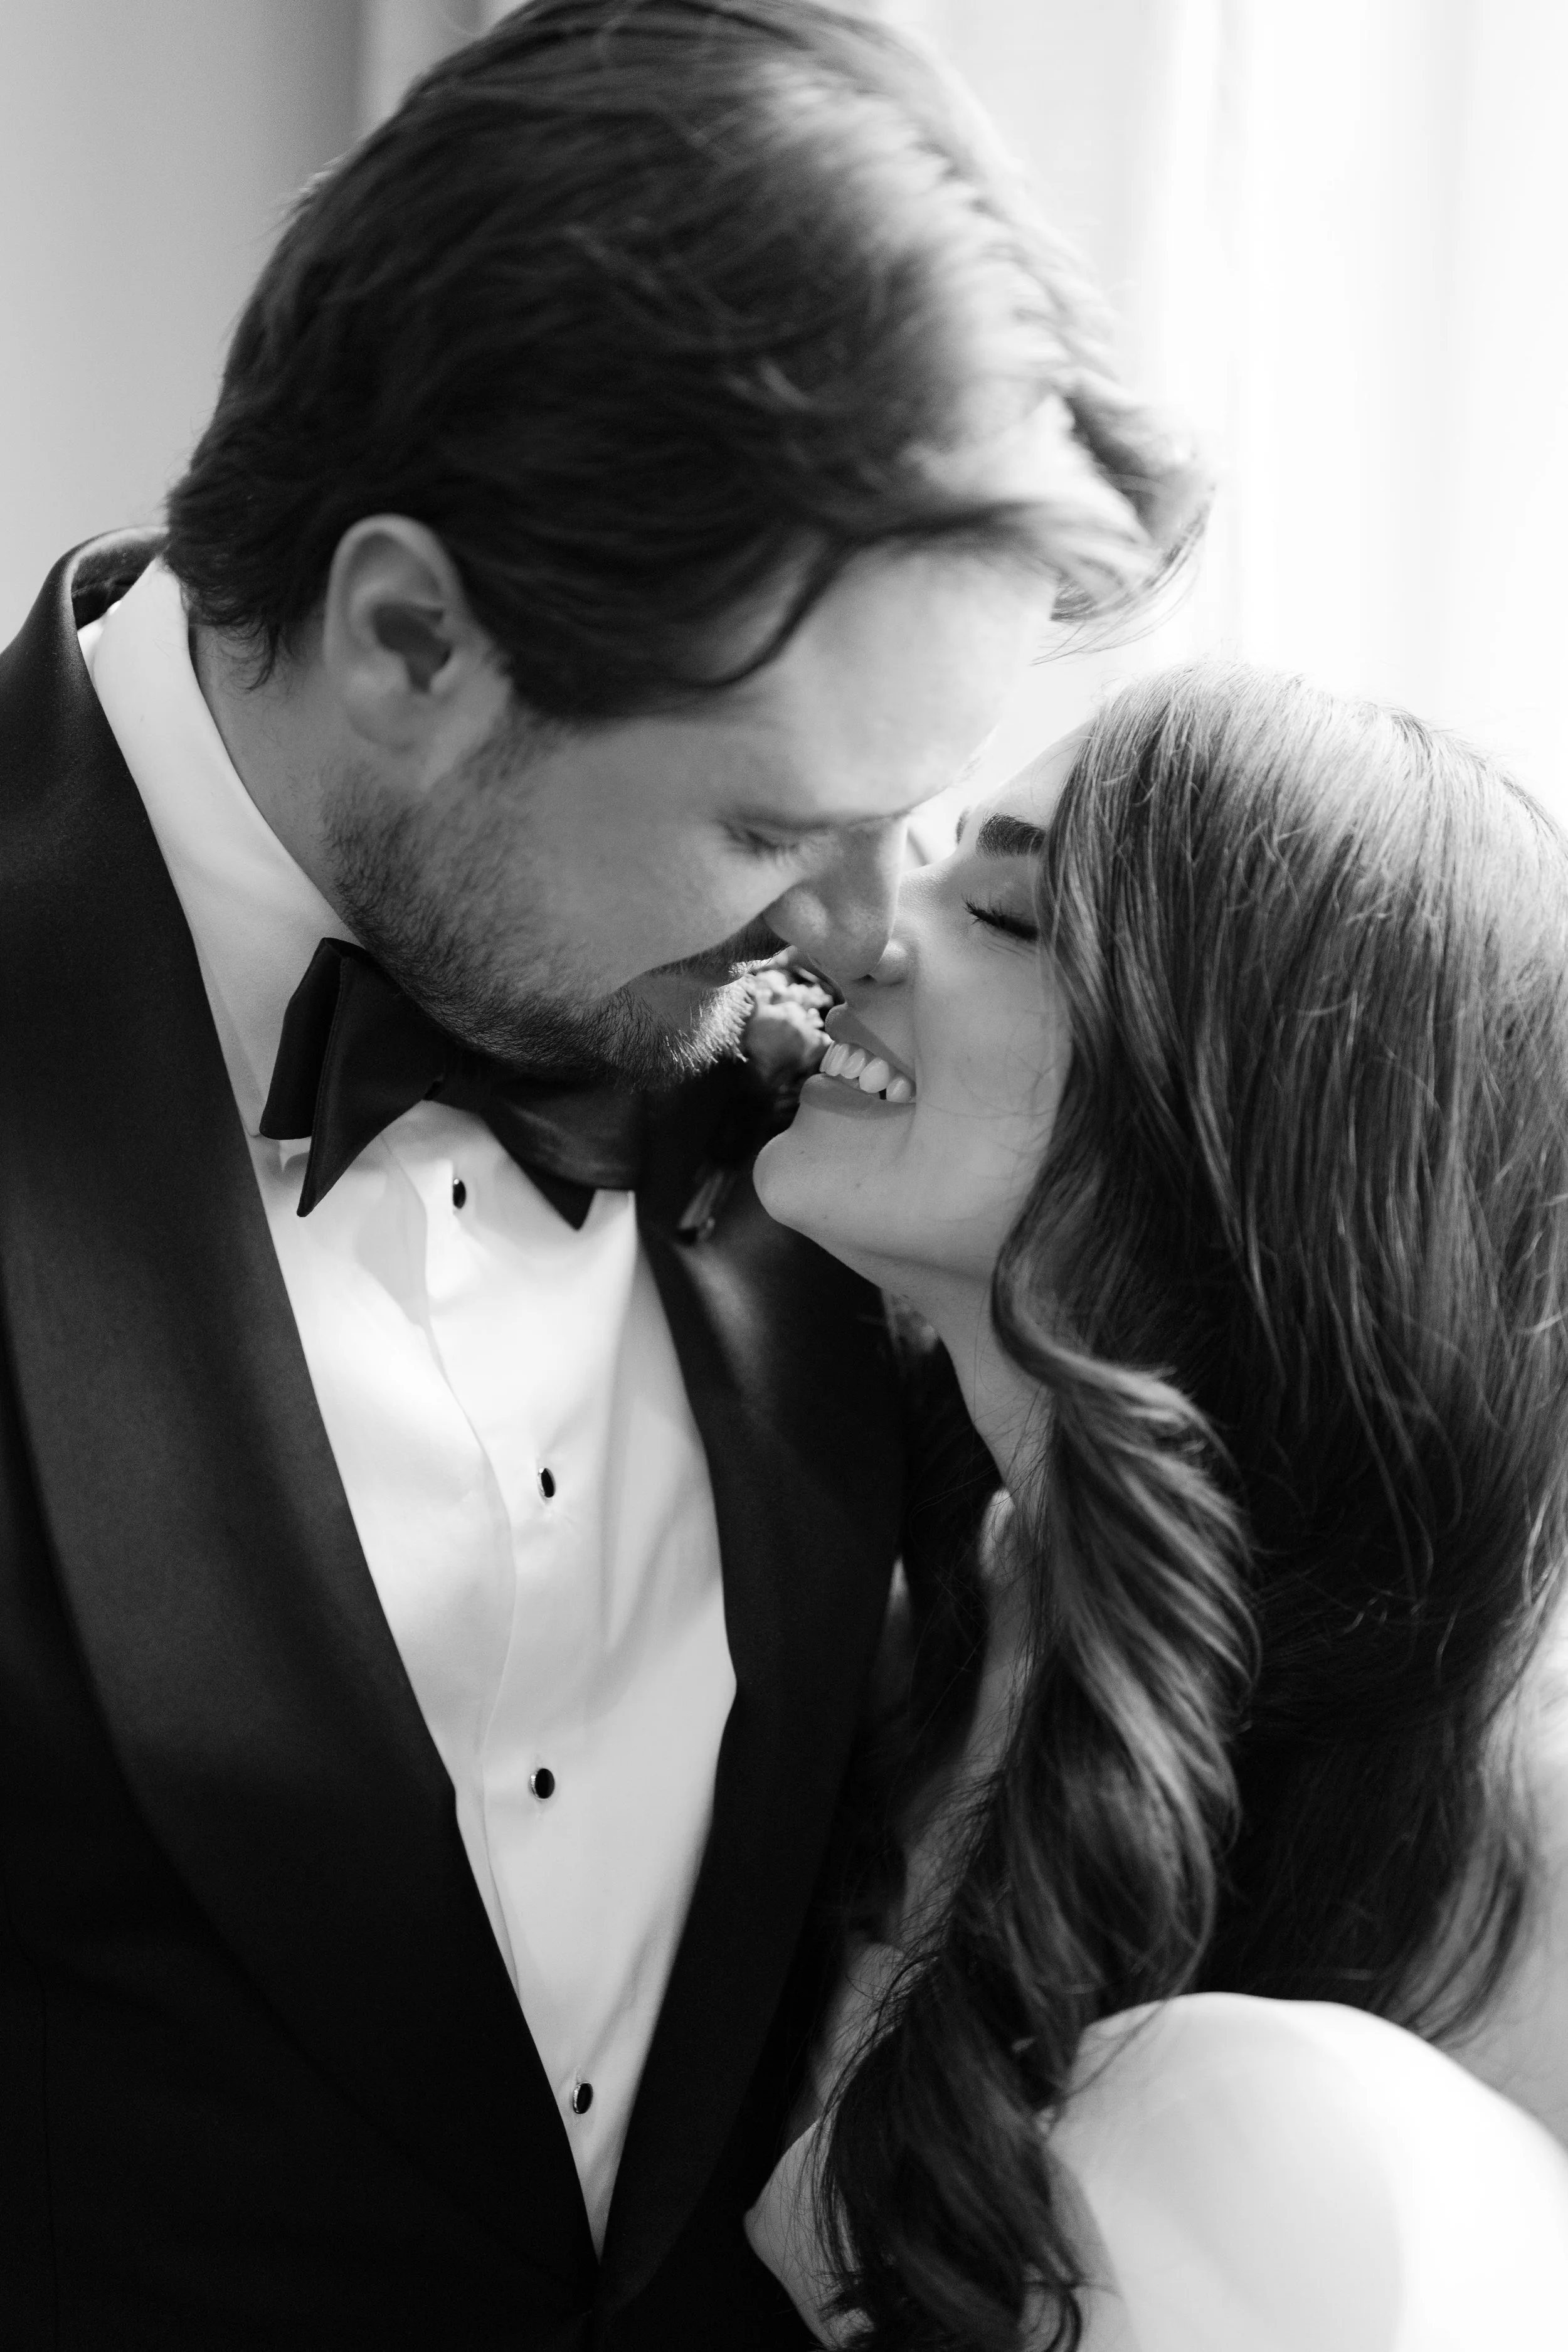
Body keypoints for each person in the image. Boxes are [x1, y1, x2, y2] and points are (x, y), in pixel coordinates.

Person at [0, 4, 1204, 2345]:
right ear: (411, 639)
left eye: (926, 818)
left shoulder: (884, 1161)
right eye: (773, 824)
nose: (873, 936)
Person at [746, 664, 1568, 2348]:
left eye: (996, 908)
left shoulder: (1514, 1822)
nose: (851, 937)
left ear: (1246, 1113)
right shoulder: (917, 1599)